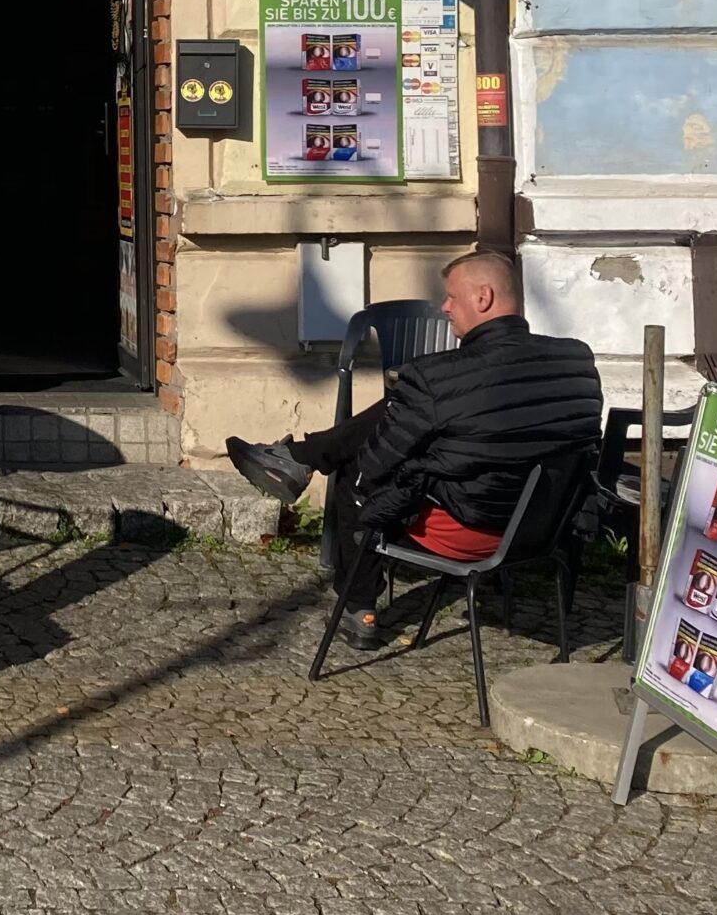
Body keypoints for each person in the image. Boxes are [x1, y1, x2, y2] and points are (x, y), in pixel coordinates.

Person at [226, 249, 602, 649]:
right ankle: (300, 458)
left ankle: (358, 608)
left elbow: (374, 466)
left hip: (470, 532)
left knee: (356, 474)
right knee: (404, 420)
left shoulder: (436, 375)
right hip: (545, 529)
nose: (444, 307)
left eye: (452, 297)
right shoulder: (576, 360)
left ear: (483, 297)